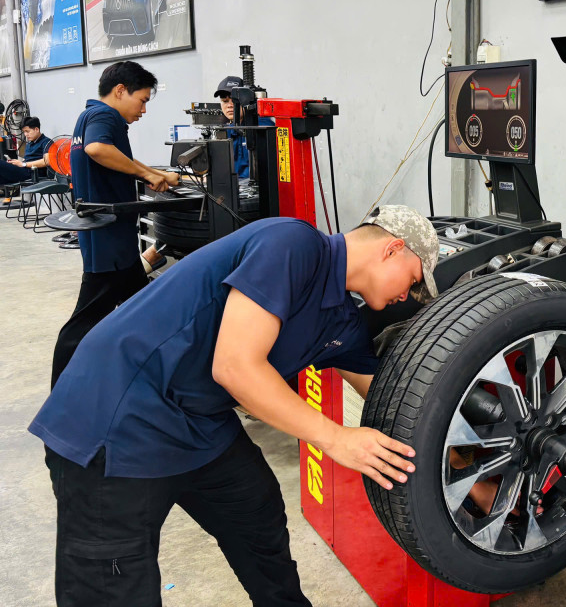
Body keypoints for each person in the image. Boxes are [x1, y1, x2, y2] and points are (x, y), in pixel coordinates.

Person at [29, 204, 439, 607]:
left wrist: (458, 460)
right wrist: (335, 438)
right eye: (415, 279)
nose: (410, 295)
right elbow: (235, 367)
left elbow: (397, 402)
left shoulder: (343, 322)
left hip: (197, 420)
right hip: (118, 411)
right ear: (392, 249)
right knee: (113, 583)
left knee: (256, 516)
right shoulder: (292, 243)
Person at [50, 61, 181, 389]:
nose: (144, 110)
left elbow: (116, 157)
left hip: (114, 238)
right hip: (107, 240)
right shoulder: (105, 116)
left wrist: (156, 174)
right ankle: (62, 394)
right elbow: (97, 149)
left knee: (145, 311)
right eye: (143, 100)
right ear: (120, 90)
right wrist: (148, 174)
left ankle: (156, 382)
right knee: (84, 324)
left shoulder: (91, 115)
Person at [215, 75, 275, 179]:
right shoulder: (226, 131)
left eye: (234, 101)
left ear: (247, 100)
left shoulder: (262, 126)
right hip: (235, 185)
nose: (229, 105)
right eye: (225, 101)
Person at [0, 116, 52, 184]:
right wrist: (17, 163)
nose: (25, 134)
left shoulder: (47, 142)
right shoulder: (29, 144)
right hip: (24, 171)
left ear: (36, 129)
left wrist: (24, 164)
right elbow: (26, 161)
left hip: (34, 173)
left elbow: (47, 161)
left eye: (27, 131)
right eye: (24, 132)